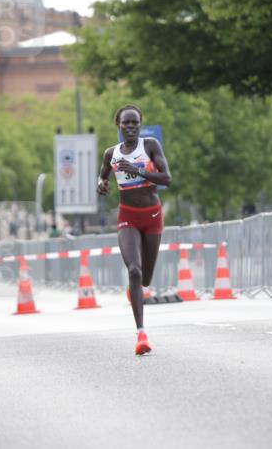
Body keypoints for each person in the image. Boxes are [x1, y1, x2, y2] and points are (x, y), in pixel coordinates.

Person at [97, 105, 171, 355]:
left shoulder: (150, 146)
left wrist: (139, 171)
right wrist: (102, 184)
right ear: (117, 125)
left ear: (140, 125)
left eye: (135, 123)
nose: (130, 127)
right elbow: (104, 176)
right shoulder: (111, 153)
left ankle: (135, 289)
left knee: (145, 279)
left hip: (151, 217)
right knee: (134, 270)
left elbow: (167, 178)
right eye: (125, 123)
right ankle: (141, 334)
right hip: (127, 217)